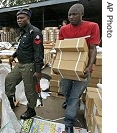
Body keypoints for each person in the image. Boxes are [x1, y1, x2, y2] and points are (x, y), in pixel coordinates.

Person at [58, 3, 100, 133]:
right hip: (66, 69)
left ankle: (69, 123)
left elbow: (93, 48)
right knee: (65, 90)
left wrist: (89, 66)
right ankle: (69, 101)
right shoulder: (63, 30)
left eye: (74, 14)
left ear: (82, 14)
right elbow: (61, 50)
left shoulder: (92, 26)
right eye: (69, 14)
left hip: (83, 70)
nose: (71, 17)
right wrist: (57, 65)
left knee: (74, 96)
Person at [5, 8, 44, 120]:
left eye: (22, 18)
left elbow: (38, 52)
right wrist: (13, 55)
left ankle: (31, 110)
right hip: (20, 64)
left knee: (30, 90)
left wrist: (38, 71)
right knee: (9, 80)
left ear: (28, 18)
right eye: (18, 18)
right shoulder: (22, 32)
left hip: (29, 66)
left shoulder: (35, 32)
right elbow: (21, 48)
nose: (19, 20)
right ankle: (11, 101)